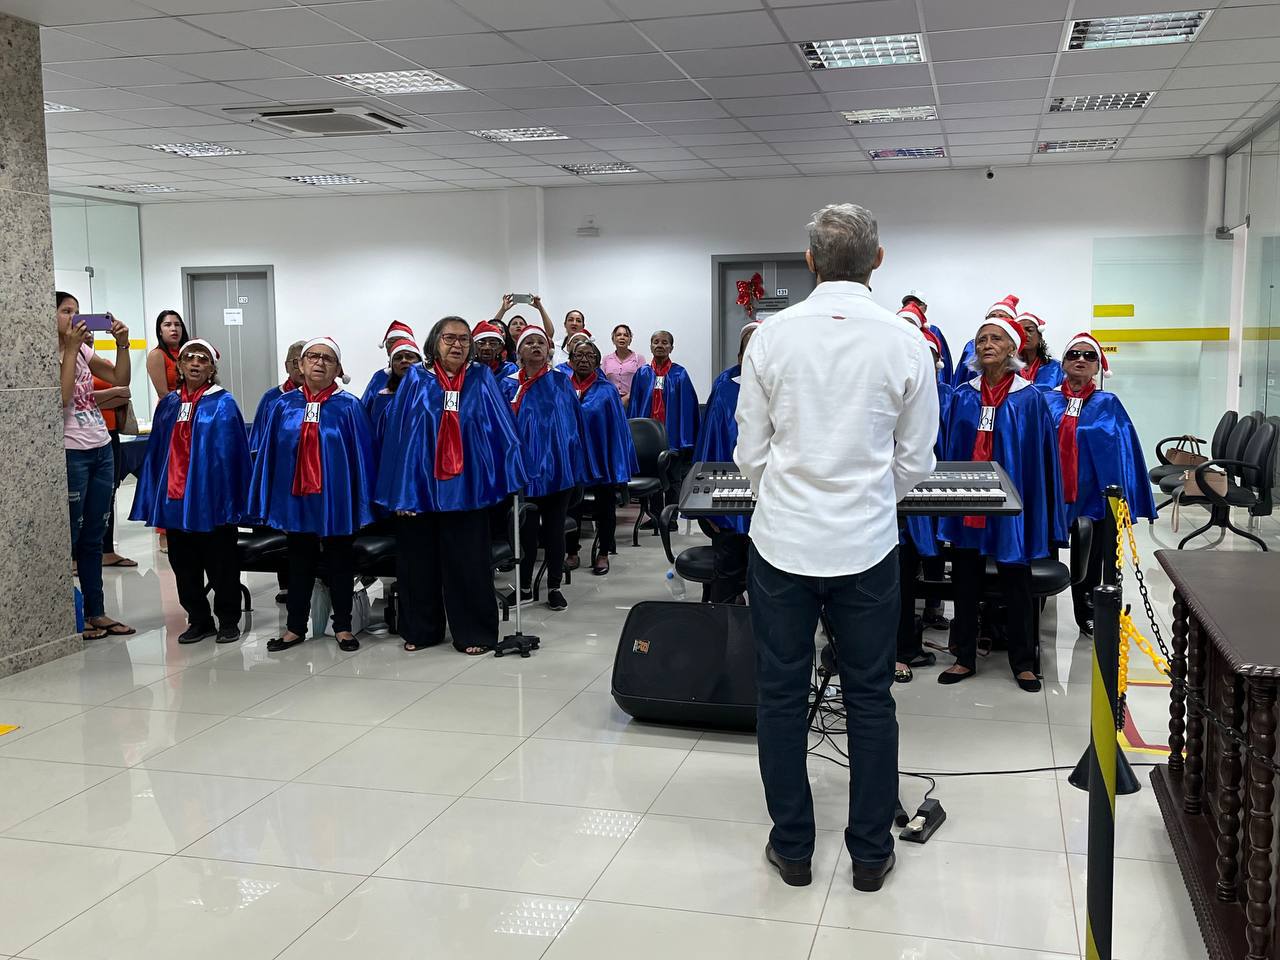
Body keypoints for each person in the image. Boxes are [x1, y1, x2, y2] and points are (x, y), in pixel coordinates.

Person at [734, 204, 938, 895]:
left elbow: (749, 451)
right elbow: (915, 458)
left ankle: (793, 849)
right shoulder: (908, 341)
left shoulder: (769, 336)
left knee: (782, 696)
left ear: (811, 261)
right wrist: (868, 498)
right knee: (871, 699)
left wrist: (789, 498)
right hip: (868, 545)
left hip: (782, 544)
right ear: (878, 261)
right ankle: (870, 855)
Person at [377, 317, 526, 655]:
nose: (457, 345)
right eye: (449, 338)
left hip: (467, 485)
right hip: (420, 488)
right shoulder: (416, 378)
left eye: (463, 339)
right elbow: (401, 437)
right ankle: (422, 628)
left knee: (468, 563)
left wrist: (513, 470)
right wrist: (400, 490)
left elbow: (502, 428)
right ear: (434, 343)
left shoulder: (480, 378)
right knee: (418, 563)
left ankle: (474, 632)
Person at [937, 311, 1067, 692]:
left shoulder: (1030, 399)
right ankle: (963, 657)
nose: (988, 345)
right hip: (968, 502)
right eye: (981, 340)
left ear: (1013, 347)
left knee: (1016, 579)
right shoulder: (963, 396)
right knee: (964, 578)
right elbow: (949, 451)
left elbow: (1040, 458)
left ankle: (1023, 661)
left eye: (996, 339)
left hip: (1013, 505)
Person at [248, 336, 376, 654]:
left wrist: (362, 501)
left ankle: (343, 627)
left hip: (336, 498)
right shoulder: (282, 406)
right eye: (313, 357)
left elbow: (363, 458)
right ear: (301, 366)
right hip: (297, 498)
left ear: (337, 368)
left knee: (339, 561)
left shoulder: (349, 407)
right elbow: (270, 455)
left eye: (327, 358)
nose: (319, 362)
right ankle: (294, 628)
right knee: (299, 561)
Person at [130, 339, 251, 643]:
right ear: (180, 366)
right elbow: (158, 452)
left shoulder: (223, 403)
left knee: (221, 561)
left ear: (212, 368)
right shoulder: (169, 404)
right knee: (183, 563)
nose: (196, 363)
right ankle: (198, 618)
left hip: (212, 500)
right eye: (190, 358)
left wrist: (230, 498)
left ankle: (227, 619)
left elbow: (232, 455)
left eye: (203, 359)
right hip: (175, 498)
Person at [1045, 332, 1156, 635]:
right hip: (1052, 496)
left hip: (1094, 497)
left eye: (1089, 356)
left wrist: (1124, 496)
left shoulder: (1109, 403)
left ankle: (1088, 614)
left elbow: (1124, 452)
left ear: (1098, 367)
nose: (1081, 360)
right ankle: (1036, 608)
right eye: (1074, 355)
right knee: (1042, 552)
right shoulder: (1046, 399)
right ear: (1063, 363)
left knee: (1093, 560)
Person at [57, 291, 136, 640]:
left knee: (93, 536)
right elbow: (61, 398)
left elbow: (121, 380)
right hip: (71, 450)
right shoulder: (49, 354)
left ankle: (97, 611)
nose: (74, 318)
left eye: (77, 311)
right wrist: (71, 349)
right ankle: (74, 616)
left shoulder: (86, 350)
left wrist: (122, 344)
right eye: (65, 311)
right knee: (70, 537)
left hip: (101, 445)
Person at [498, 326, 587, 611]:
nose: (536, 347)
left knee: (554, 531)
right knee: (524, 533)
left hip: (557, 471)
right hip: (522, 472)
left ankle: (555, 587)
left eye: (540, 342)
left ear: (548, 349)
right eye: (529, 343)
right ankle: (524, 587)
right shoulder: (508, 384)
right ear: (519, 351)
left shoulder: (561, 382)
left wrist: (572, 465)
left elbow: (572, 427)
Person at [895, 328, 953, 682]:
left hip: (925, 502)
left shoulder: (950, 396)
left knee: (909, 576)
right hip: (884, 501)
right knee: (891, 580)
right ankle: (893, 651)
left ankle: (905, 647)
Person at [692, 321, 759, 602]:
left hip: (772, 508)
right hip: (730, 505)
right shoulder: (725, 392)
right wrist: (710, 508)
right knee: (728, 576)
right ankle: (727, 636)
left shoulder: (787, 391)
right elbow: (709, 450)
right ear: (741, 357)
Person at [565, 337, 637, 576]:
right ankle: (572, 551)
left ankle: (603, 552)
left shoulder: (606, 390)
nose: (584, 360)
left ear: (597, 361)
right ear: (571, 360)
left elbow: (615, 429)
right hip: (572, 459)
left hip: (601, 456)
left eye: (589, 357)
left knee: (604, 506)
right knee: (571, 506)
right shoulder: (563, 386)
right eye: (579, 356)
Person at [626, 330, 701, 508]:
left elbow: (688, 407)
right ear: (651, 346)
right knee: (653, 475)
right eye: (656, 342)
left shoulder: (679, 374)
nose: (660, 345)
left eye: (665, 342)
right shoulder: (642, 374)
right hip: (649, 439)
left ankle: (672, 516)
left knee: (674, 476)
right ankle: (655, 516)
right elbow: (635, 405)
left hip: (672, 434)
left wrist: (685, 436)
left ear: (671, 348)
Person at [91, 374, 135, 568]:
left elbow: (124, 395)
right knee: (82, 497)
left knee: (109, 493)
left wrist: (96, 399)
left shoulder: (101, 364)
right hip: (85, 434)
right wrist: (112, 394)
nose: (88, 340)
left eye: (90, 338)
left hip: (110, 432)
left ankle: (107, 551)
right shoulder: (68, 364)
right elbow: (74, 400)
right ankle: (76, 554)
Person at [249, 340, 305, 458]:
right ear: (286, 367)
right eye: (296, 362)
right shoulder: (271, 399)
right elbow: (258, 442)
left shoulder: (321, 399)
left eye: (304, 362)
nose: (301, 368)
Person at [951, 294, 1018, 388]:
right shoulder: (972, 345)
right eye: (992, 316)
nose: (996, 319)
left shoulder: (1016, 348)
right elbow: (959, 377)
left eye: (1002, 316)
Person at [366, 339, 421, 450]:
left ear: (419, 362)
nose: (404, 360)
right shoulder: (382, 399)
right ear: (392, 366)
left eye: (409, 357)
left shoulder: (430, 394)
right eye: (398, 358)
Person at [901, 291, 953, 384]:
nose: (912, 307)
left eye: (917, 304)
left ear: (925, 308)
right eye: (907, 304)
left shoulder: (933, 331)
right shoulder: (895, 328)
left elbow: (945, 365)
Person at [361, 321, 416, 408]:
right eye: (390, 342)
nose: (395, 345)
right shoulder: (379, 377)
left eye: (399, 340)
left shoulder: (429, 379)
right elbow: (364, 409)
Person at [1015, 311, 1065, 389]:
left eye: (1029, 330)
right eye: (1019, 331)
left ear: (1040, 337)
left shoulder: (1057, 368)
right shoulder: (1006, 369)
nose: (1024, 334)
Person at [146, 309, 186, 401]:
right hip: (171, 408)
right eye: (167, 325)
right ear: (160, 331)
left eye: (177, 324)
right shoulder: (157, 355)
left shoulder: (187, 352)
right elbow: (163, 394)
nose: (174, 329)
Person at [603, 323, 645, 407]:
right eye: (618, 335)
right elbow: (602, 382)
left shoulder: (639, 358)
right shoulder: (606, 359)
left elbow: (642, 383)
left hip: (632, 402)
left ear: (630, 340)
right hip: (611, 403)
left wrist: (627, 398)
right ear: (613, 339)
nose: (622, 337)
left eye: (625, 335)